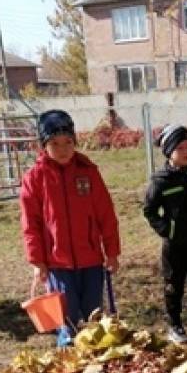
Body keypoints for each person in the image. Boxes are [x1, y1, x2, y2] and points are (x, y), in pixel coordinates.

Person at [20, 110, 121, 347]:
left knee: (94, 316)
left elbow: (106, 214)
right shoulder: (35, 178)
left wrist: (112, 252)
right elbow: (30, 224)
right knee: (67, 319)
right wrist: (37, 261)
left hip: (91, 260)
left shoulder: (88, 172)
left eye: (68, 142)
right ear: (43, 146)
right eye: (54, 144)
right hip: (58, 264)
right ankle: (68, 356)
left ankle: (96, 360)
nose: (63, 149)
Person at [143, 124, 187, 343]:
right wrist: (168, 230)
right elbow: (150, 210)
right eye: (180, 148)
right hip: (174, 246)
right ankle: (175, 325)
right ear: (169, 152)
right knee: (174, 285)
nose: (186, 152)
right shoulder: (161, 180)